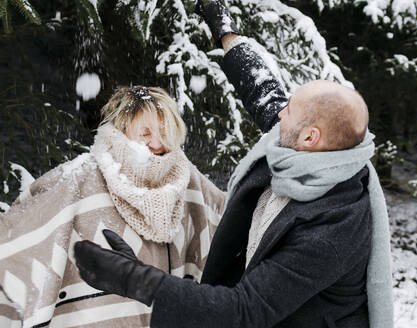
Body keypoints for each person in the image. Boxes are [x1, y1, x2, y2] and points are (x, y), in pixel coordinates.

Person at [74, 1, 394, 327]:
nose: (280, 112)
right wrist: (225, 31)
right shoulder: (317, 150)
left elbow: (241, 312)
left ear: (310, 137)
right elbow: (264, 90)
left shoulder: (333, 229)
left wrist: (134, 279)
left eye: (290, 111)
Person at [0, 86, 225, 327]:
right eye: (145, 132)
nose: (157, 143)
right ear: (122, 128)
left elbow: (232, 219)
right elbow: (19, 240)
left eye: (163, 131)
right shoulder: (81, 178)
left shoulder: (187, 181)